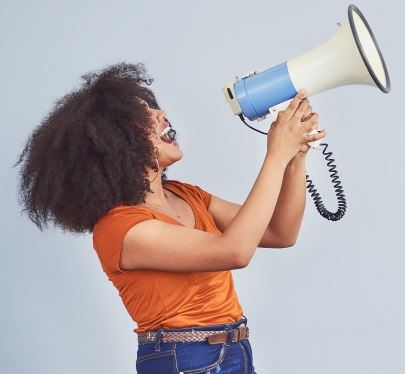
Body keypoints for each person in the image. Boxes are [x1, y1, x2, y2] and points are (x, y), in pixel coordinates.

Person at [15, 62, 325, 373]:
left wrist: (296, 156)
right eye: (141, 115)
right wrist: (276, 154)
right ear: (112, 143)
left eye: (154, 107)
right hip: (185, 360)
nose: (161, 114)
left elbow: (279, 233)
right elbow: (235, 251)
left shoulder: (187, 194)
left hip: (236, 351)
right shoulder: (119, 228)